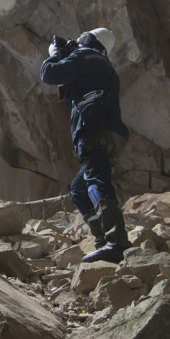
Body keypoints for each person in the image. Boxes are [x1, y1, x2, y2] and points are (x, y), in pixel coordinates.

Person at [40, 27, 131, 263]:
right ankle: (102, 241)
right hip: (109, 133)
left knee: (96, 182)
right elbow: (73, 88)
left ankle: (116, 243)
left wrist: (55, 53)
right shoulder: (103, 65)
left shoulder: (86, 56)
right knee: (80, 189)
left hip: (93, 131)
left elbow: (49, 74)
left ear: (89, 40)